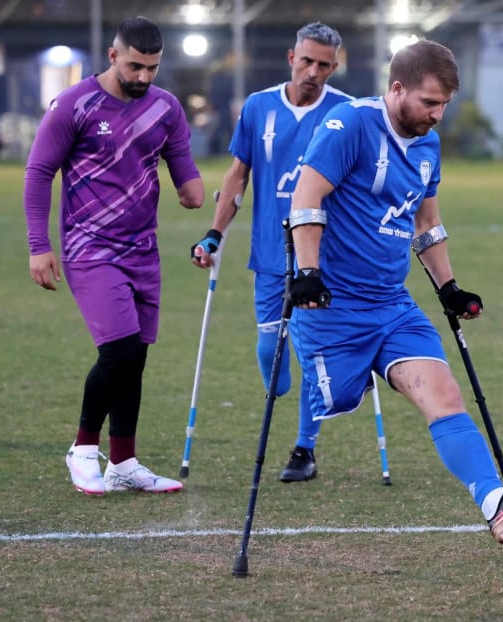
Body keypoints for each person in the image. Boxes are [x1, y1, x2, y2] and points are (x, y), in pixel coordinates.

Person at [285, 39, 503, 544]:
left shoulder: (428, 145)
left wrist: (449, 286)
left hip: (392, 305)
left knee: (446, 397)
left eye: (444, 106)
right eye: (429, 103)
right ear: (397, 89)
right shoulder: (349, 126)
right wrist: (307, 272)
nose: (437, 115)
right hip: (332, 305)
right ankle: (360, 375)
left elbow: (426, 221)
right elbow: (306, 197)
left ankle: (497, 504)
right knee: (336, 397)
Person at [23, 16, 204, 496]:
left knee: (135, 358)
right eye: (135, 66)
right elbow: (39, 172)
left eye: (153, 68)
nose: (144, 77)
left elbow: (187, 179)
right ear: (112, 56)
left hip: (143, 250)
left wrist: (192, 190)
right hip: (89, 248)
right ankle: (83, 448)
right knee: (119, 350)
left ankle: (123, 462)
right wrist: (38, 246)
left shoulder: (166, 108)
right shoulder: (75, 105)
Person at [190, 22, 354, 483]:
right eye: (307, 61)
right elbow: (237, 177)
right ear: (291, 57)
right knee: (272, 356)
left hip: (321, 260)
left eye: (324, 65)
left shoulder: (347, 112)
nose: (314, 72)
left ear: (334, 67)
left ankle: (305, 449)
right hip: (268, 255)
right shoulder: (259, 107)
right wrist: (214, 235)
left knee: (312, 356)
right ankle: (283, 389)